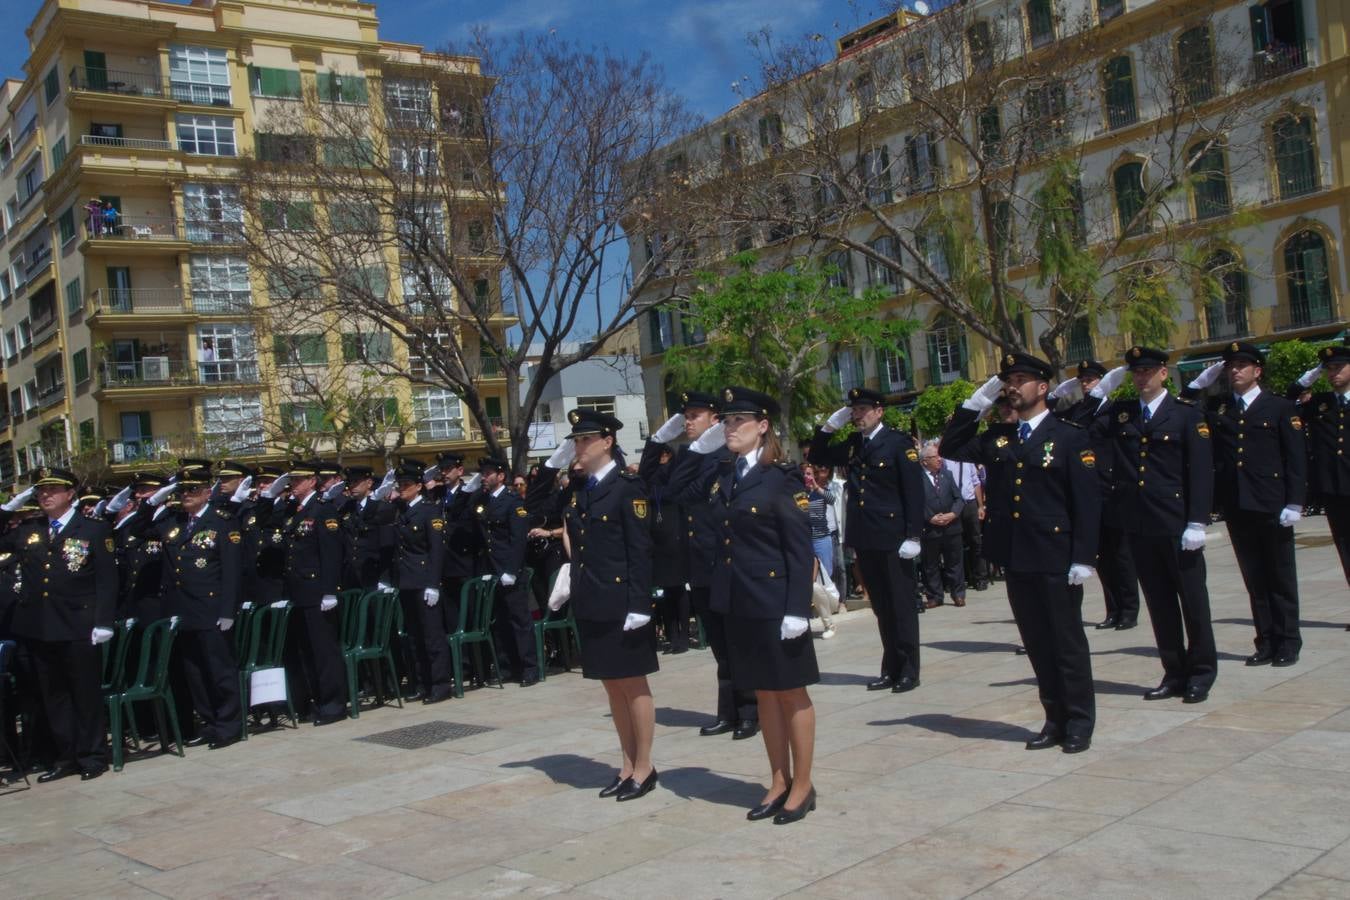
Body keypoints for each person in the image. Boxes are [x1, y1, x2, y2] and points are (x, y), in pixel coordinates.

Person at [941, 353, 1101, 753]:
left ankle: (1079, 721)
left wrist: (1084, 556)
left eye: (1021, 379)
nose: (1013, 386)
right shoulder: (1000, 437)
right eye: (1008, 380)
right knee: (1036, 641)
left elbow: (1086, 501)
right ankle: (1053, 717)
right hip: (1016, 554)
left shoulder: (1069, 435)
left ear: (1042, 387)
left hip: (1055, 554)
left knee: (1066, 642)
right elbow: (952, 445)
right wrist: (976, 402)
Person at [707, 387, 818, 824]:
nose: (730, 429)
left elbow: (799, 548)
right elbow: (677, 485)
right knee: (765, 695)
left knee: (791, 693)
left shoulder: (782, 477)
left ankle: (803, 784)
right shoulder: (725, 474)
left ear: (763, 425)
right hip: (741, 603)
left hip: (776, 603)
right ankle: (778, 780)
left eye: (739, 421)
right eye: (726, 421)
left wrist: (797, 609)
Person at [1091, 348, 1217, 703]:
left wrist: (1196, 521)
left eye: (1148, 371)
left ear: (1164, 373)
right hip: (1139, 524)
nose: (1141, 377)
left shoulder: (1187, 415)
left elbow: (1201, 472)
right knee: (1160, 604)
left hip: (1177, 525)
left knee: (1193, 602)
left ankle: (1202, 672)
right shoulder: (1121, 414)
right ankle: (1174, 672)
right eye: (1136, 372)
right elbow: (1080, 424)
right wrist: (1100, 393)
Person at [553, 408, 659, 802]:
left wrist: (639, 604)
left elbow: (640, 550)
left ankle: (645, 766)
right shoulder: (583, 489)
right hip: (592, 599)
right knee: (612, 688)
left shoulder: (627, 488)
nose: (577, 447)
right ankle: (628, 763)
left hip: (622, 602)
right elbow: (540, 503)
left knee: (633, 685)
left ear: (607, 442)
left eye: (584, 440)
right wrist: (557, 466)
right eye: (575, 440)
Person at [1184, 341, 1307, 667]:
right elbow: (1184, 409)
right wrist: (1197, 385)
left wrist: (1294, 501)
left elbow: (1295, 458)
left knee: (1280, 577)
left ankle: (1288, 641)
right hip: (1237, 505)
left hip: (1272, 505)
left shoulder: (1279, 407)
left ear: (1257, 370)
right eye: (1230, 366)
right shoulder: (1220, 409)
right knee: (1254, 580)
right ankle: (1265, 640)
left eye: (1242, 365)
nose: (1235, 370)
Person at [1, 467, 117, 781]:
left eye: (52, 489)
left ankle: (92, 756)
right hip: (40, 626)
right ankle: (66, 757)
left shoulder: (92, 528)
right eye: (40, 491)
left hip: (80, 624)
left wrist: (104, 621)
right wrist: (10, 507)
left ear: (70, 494)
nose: (45, 495)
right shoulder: (30, 528)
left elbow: (106, 579)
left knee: (84, 694)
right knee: (54, 697)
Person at [809, 387, 925, 693]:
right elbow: (818, 456)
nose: (857, 416)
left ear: (878, 411)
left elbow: (913, 492)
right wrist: (828, 428)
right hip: (865, 536)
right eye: (854, 411)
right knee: (882, 608)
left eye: (862, 410)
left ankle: (909, 670)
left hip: (894, 538)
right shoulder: (852, 444)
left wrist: (913, 535)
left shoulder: (899, 444)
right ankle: (891, 667)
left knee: (900, 606)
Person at [661, 390, 759, 739]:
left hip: (725, 562)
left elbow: (693, 493)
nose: (688, 422)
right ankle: (728, 711)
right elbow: (669, 490)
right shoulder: (696, 454)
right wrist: (663, 442)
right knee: (719, 643)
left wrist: (698, 452)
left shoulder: (725, 456)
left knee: (737, 641)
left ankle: (750, 710)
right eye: (685, 416)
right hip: (701, 563)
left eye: (695, 416)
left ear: (714, 421)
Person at [158, 461, 244, 748]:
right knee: (194, 673)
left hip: (212, 608)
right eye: (182, 490)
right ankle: (209, 722)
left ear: (208, 492)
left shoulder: (222, 522)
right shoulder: (175, 522)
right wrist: (158, 498)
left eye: (193, 489)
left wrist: (228, 611)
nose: (187, 495)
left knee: (219, 670)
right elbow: (142, 526)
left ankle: (229, 725)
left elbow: (232, 570)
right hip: (184, 611)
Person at [1052, 359, 1141, 630]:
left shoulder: (1117, 411)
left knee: (1121, 555)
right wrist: (1056, 396)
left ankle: (1129, 609)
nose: (1086, 383)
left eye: (1092, 379)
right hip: (1091, 493)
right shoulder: (1080, 411)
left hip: (1114, 490)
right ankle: (1112, 608)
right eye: (1083, 380)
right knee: (1102, 556)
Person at [280, 460, 347, 724]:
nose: (293, 486)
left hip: (318, 590)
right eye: (291, 481)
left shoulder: (323, 510)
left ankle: (333, 705)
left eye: (298, 481)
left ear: (311, 481)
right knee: (307, 652)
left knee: (324, 652)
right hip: (299, 591)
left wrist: (330, 591)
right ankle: (318, 702)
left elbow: (331, 554)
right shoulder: (294, 510)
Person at [1286, 342, 1350, 597]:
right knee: (1345, 547)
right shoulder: (1320, 404)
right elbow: (1289, 399)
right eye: (1329, 369)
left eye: (1339, 367)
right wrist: (1309, 376)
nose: (1334, 373)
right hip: (1333, 489)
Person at [390, 460, 453, 704]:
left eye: (407, 484)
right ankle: (422, 682)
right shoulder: (401, 510)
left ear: (418, 486)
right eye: (400, 484)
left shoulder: (430, 511)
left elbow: (436, 550)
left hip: (424, 580)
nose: (402, 489)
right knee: (415, 636)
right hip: (406, 581)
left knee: (431, 636)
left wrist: (433, 584)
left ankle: (440, 684)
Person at [474, 456, 538, 686]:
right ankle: (509, 665)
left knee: (519, 620)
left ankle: (530, 667)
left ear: (501, 476)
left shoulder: (512, 501)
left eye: (488, 473)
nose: (484, 477)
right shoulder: (483, 501)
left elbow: (518, 538)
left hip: (510, 570)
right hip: (492, 570)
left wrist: (511, 569)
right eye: (483, 473)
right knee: (499, 622)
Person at [638, 441, 690, 654]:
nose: (661, 458)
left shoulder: (674, 474)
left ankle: (684, 636)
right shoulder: (650, 478)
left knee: (678, 588)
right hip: (657, 538)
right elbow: (643, 474)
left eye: (665, 454)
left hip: (675, 534)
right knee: (665, 592)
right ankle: (671, 635)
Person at [918, 440, 966, 608]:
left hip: (951, 527)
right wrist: (930, 517)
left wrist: (952, 514)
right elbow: (916, 502)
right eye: (935, 457)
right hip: (930, 529)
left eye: (940, 456)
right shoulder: (917, 478)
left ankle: (958, 594)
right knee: (930, 564)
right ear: (924, 461)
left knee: (955, 562)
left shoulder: (947, 475)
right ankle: (935, 596)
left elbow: (959, 498)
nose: (940, 459)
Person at [943, 455, 987, 592]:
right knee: (954, 544)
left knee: (975, 541)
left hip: (969, 503)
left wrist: (980, 506)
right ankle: (957, 580)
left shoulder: (967, 460)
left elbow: (976, 483)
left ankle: (980, 577)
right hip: (954, 505)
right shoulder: (944, 460)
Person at [802, 465, 836, 637]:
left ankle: (829, 620)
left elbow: (832, 499)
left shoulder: (820, 491)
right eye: (804, 474)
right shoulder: (799, 493)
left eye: (809, 474)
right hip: (805, 540)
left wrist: (816, 486)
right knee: (810, 581)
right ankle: (818, 613)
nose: (806, 476)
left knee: (825, 577)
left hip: (821, 538)